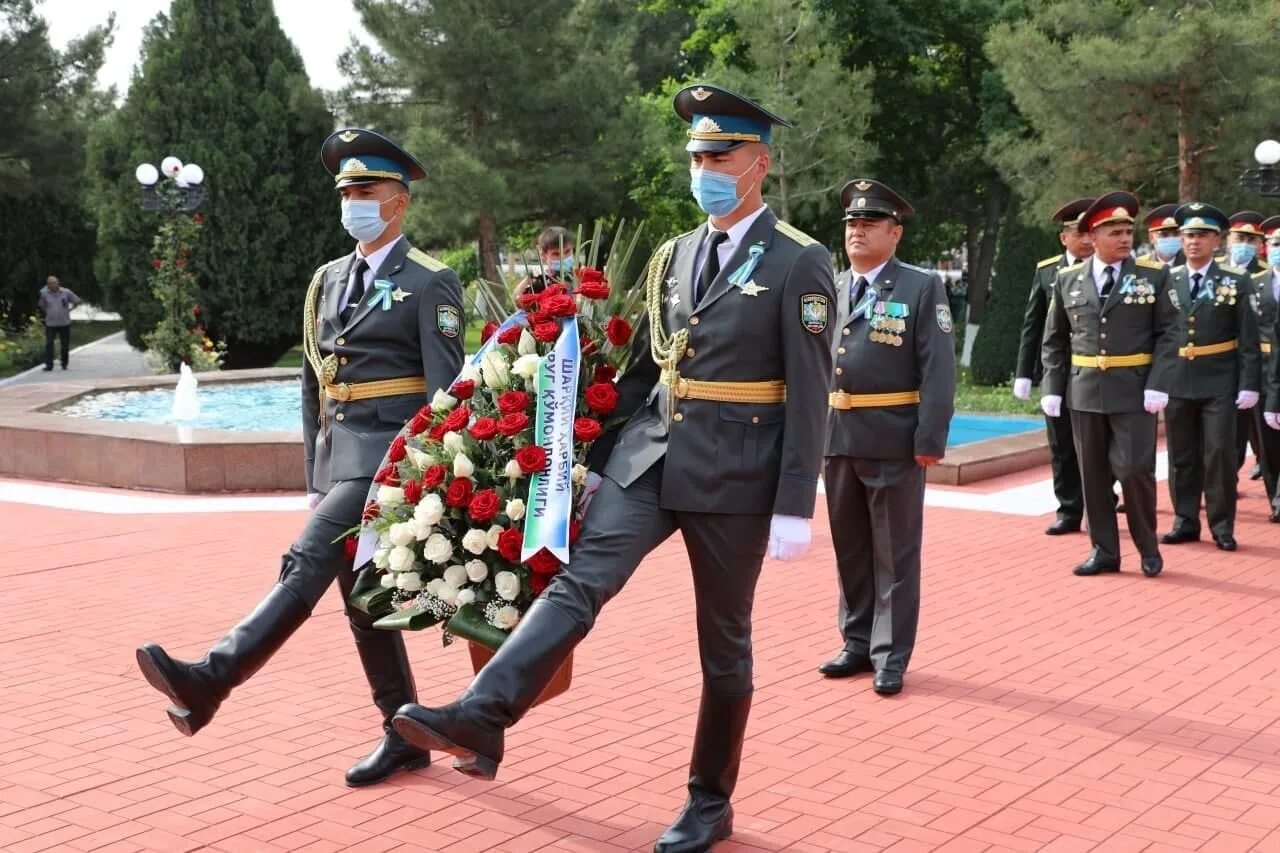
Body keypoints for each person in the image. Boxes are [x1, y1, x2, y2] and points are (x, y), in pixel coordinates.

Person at [387, 83, 836, 852]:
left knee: (723, 640)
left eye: (719, 154)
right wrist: (593, 462)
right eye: (696, 155)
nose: (704, 167)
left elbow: (813, 386)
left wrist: (797, 500)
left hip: (738, 469)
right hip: (654, 453)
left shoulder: (801, 261)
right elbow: (644, 370)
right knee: (581, 580)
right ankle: (483, 713)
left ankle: (709, 799)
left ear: (758, 162)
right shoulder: (676, 253)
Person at [135, 128, 465, 787]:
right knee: (361, 601)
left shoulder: (431, 282)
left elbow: (446, 397)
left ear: (398, 202)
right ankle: (400, 728)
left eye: (365, 191)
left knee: (306, 559)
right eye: (345, 192)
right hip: (341, 461)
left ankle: (212, 678)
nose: (352, 202)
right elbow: (312, 383)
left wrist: (427, 486)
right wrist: (316, 478)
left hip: (390, 463)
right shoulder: (327, 280)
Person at [816, 179, 955, 696]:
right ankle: (855, 642)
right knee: (849, 547)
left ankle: (891, 654)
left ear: (894, 233)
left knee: (894, 553)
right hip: (837, 435)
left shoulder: (920, 288)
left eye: (869, 223)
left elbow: (938, 370)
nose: (857, 231)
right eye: (852, 223)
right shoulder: (829, 286)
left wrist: (930, 438)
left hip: (894, 437)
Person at [1041, 191, 1178, 578]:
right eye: (1114, 232)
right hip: (1084, 390)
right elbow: (1054, 338)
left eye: (1127, 231)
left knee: (1135, 470)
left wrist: (1158, 382)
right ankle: (1104, 551)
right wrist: (1052, 386)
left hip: (1134, 391)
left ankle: (1147, 546)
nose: (1123, 238)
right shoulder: (1067, 279)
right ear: (1093, 236)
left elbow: (1170, 332)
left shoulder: (1153, 275)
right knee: (1093, 476)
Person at [1158, 203, 1259, 551]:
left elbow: (1248, 339)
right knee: (1181, 456)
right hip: (1177, 380)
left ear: (1216, 241)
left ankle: (1222, 525)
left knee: (1219, 455)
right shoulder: (1167, 279)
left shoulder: (1235, 280)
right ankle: (1185, 521)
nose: (1193, 242)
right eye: (1187, 235)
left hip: (1220, 380)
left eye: (1201, 235)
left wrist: (1249, 384)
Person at [1013, 198, 1094, 535]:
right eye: (1079, 233)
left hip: (1094, 369)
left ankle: (1099, 504)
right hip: (1057, 371)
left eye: (1092, 232)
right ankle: (1069, 510)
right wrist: (1023, 372)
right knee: (1061, 445)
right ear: (1064, 238)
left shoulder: (1107, 270)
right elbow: (1033, 325)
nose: (1087, 240)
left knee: (1095, 444)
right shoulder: (1048, 271)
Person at [1252, 218, 1280, 521]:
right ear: (1265, 248)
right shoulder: (1254, 284)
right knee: (1268, 439)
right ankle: (1275, 496)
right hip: (1262, 367)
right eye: (1275, 244)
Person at [37, 276, 81, 371]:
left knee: (64, 344)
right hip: (50, 323)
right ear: (48, 285)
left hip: (64, 323)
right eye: (51, 283)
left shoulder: (66, 292)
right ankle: (49, 365)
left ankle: (64, 363)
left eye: (55, 283)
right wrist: (48, 312)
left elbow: (77, 301)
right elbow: (41, 305)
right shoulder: (45, 294)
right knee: (49, 344)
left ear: (58, 283)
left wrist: (70, 309)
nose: (54, 285)